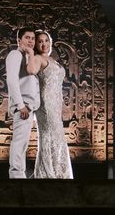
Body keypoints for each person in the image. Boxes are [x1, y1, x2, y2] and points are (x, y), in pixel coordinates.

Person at [25, 30, 73, 179]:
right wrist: (30, 53)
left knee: (56, 137)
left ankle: (57, 172)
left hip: (55, 103)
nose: (43, 43)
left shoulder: (52, 60)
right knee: (49, 136)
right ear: (36, 45)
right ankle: (48, 174)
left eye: (46, 40)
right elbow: (31, 70)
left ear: (50, 42)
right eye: (40, 41)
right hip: (46, 103)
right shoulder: (38, 58)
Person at [5, 27, 41, 179]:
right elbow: (11, 80)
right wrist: (21, 106)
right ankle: (16, 177)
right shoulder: (15, 54)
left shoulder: (26, 56)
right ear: (19, 40)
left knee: (23, 144)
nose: (31, 41)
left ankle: (20, 175)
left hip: (28, 107)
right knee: (19, 143)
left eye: (33, 38)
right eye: (27, 37)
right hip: (23, 107)